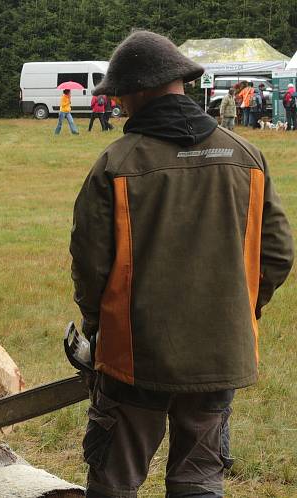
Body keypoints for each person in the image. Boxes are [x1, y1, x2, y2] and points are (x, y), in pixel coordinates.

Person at [70, 30, 293, 498]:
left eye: (120, 95)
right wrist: (240, 309)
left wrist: (97, 326)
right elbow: (277, 253)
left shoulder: (116, 161)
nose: (119, 105)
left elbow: (90, 264)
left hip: (135, 351)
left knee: (114, 477)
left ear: (138, 90)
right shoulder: (247, 156)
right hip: (221, 349)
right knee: (199, 479)